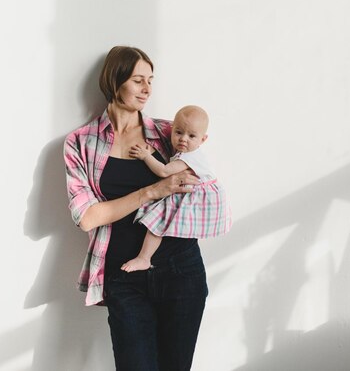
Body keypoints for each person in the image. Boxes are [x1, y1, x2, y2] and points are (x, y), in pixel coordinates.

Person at [64, 46, 208, 371]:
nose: (147, 90)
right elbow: (87, 217)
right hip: (123, 276)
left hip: (180, 269)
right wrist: (153, 190)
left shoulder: (170, 133)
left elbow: (198, 180)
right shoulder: (80, 143)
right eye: (138, 80)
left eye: (151, 81)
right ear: (116, 82)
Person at [121, 105, 232, 273]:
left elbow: (164, 171)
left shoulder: (189, 157)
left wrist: (145, 156)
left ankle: (144, 258)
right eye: (178, 132)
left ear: (203, 140)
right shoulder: (186, 152)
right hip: (188, 192)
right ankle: (144, 258)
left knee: (157, 222)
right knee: (158, 222)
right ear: (171, 130)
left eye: (191, 136)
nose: (183, 139)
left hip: (195, 195)